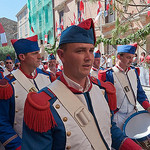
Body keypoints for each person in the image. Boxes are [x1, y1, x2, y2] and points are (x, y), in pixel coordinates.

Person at [22, 19, 141, 150]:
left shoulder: (102, 90)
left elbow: (109, 130)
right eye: (80, 51)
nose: (89, 57)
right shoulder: (42, 104)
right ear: (62, 55)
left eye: (90, 50)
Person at [0, 35, 56, 150]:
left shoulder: (48, 77)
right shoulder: (8, 85)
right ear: (22, 57)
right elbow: (2, 122)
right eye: (35, 53)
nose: (39, 56)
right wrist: (18, 146)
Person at [98, 43, 150, 130]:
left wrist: (148, 107)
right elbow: (103, 99)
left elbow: (140, 93)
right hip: (117, 116)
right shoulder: (109, 74)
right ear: (119, 56)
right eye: (128, 57)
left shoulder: (134, 72)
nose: (131, 60)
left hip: (133, 113)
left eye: (132, 57)